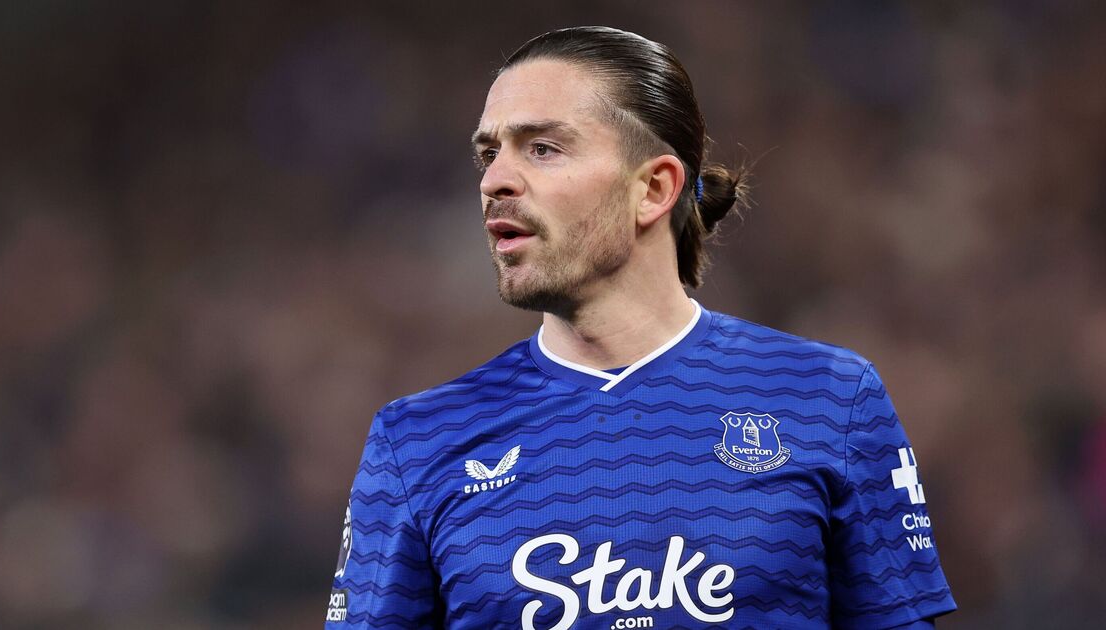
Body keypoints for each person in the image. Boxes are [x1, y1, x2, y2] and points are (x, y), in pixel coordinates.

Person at [325, 26, 956, 629]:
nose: (494, 181)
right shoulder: (417, 440)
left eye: (542, 148)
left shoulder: (830, 399)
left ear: (654, 188)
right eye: (489, 154)